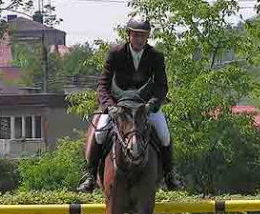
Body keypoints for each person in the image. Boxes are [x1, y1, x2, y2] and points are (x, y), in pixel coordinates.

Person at [77, 17, 182, 192]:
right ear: (128, 35)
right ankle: (90, 175)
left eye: (143, 36)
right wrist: (109, 106)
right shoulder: (115, 53)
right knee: (99, 132)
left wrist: (151, 105)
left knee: (163, 133)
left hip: (144, 107)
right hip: (119, 107)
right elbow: (103, 85)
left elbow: (162, 86)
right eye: (136, 35)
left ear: (147, 37)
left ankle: (170, 175)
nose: (139, 39)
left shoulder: (155, 56)